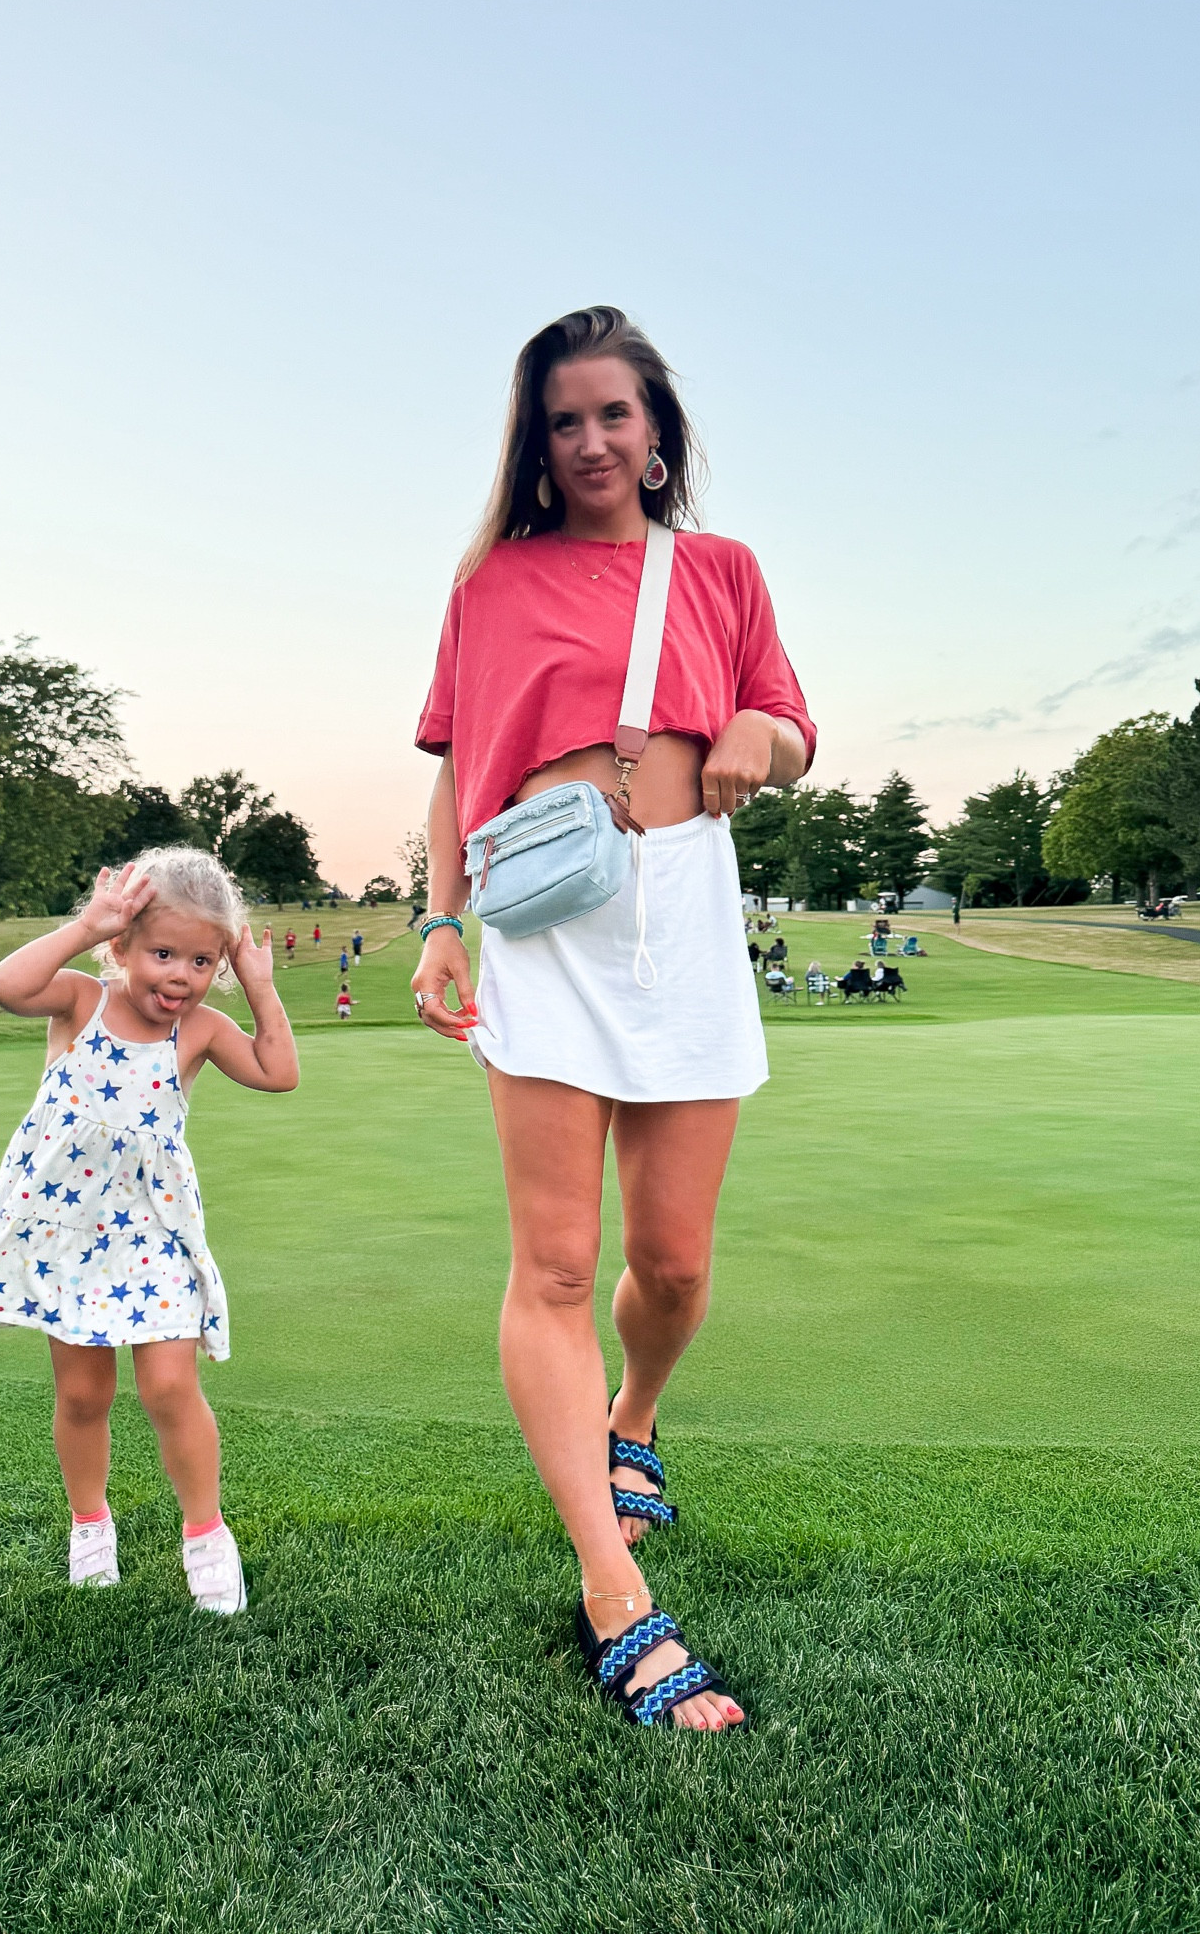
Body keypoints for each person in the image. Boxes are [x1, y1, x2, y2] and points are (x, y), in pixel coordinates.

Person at [410, 307, 813, 1733]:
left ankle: (632, 1420)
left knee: (676, 1266)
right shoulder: (490, 585)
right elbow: (457, 774)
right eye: (561, 421)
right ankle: (612, 1597)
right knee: (559, 1266)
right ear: (535, 442)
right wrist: (439, 923)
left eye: (613, 416)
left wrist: (763, 740)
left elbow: (786, 721)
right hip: (539, 923)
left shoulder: (720, 569)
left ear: (657, 434)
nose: (589, 441)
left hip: (685, 910)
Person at [0, 848, 298, 1612]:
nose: (180, 974)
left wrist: (261, 990)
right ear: (123, 947)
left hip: (154, 1233)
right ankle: (89, 1525)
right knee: (82, 1395)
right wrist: (84, 927)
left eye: (202, 960)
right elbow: (3, 985)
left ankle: (205, 1536)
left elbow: (279, 1072)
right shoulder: (79, 1000)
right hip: (69, 1234)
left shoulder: (199, 1029)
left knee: (170, 1386)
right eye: (162, 953)